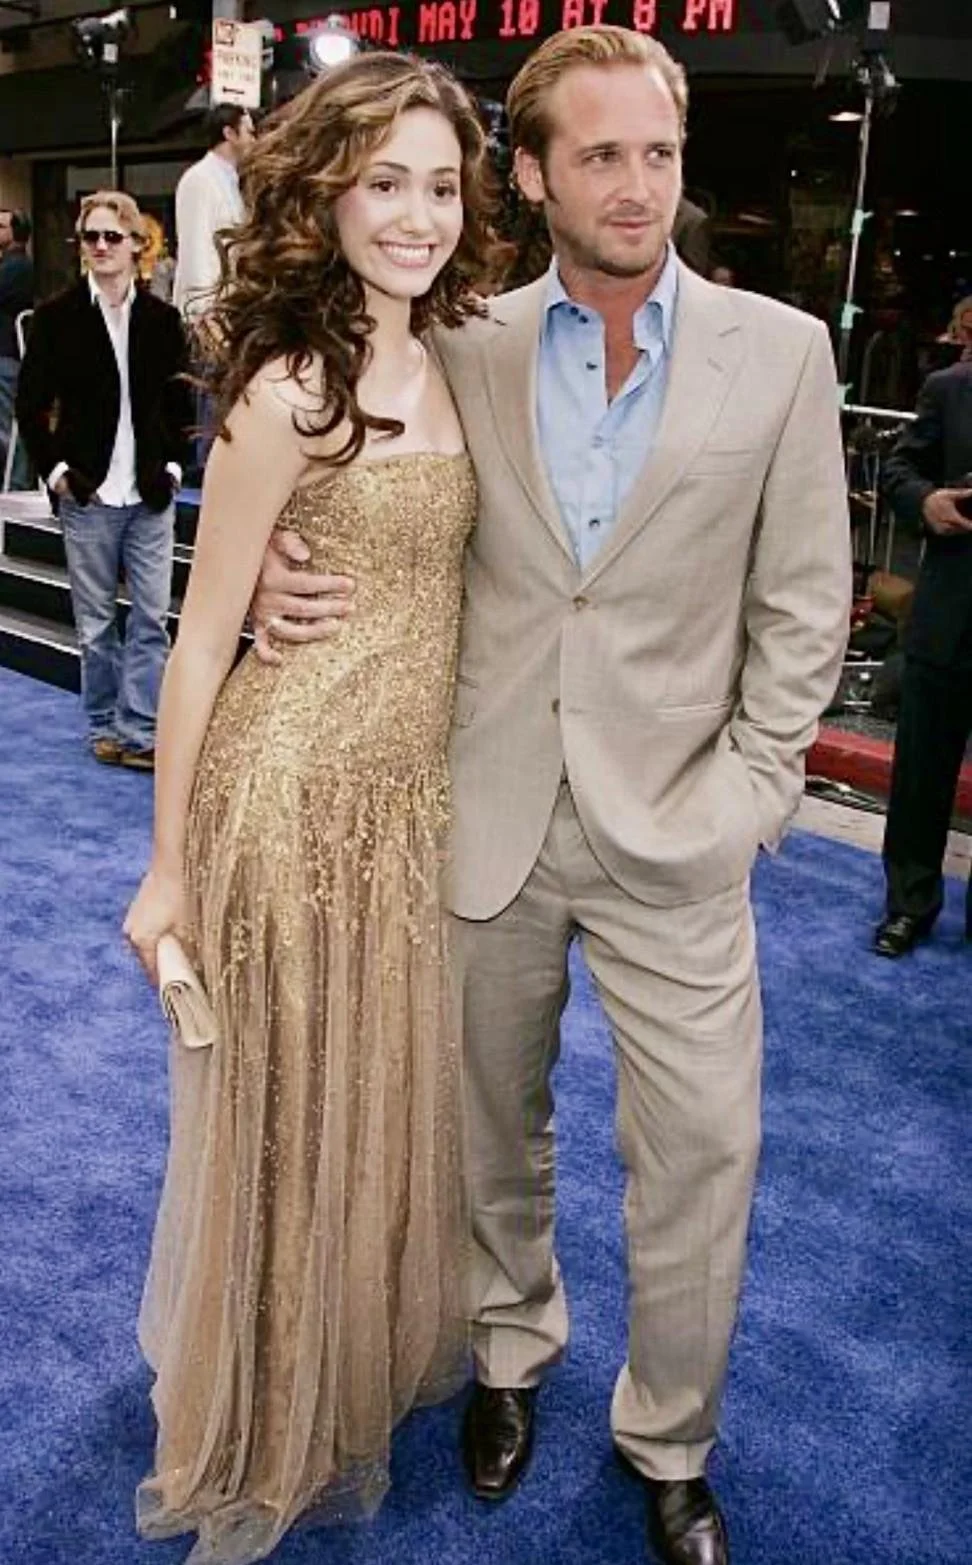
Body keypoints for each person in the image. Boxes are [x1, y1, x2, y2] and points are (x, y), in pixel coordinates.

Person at [254, 27, 851, 1565]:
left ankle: (671, 1438)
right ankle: (508, 1351)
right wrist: (265, 566)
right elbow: (339, 468)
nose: (636, 185)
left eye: (657, 152)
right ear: (529, 174)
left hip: (682, 827)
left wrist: (755, 793)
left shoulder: (784, 351)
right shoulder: (467, 342)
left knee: (704, 1151)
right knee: (484, 1130)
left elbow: (805, 601)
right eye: (599, 155)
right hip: (488, 808)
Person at [122, 53, 498, 1564]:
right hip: (285, 803)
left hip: (405, 812)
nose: (415, 214)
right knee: (285, 1118)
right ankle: (263, 1413)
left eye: (441, 185)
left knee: (376, 1099)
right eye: (384, 181)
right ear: (325, 195)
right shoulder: (290, 391)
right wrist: (166, 870)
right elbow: (200, 639)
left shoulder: (470, 359)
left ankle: (341, 1366)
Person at [16, 191, 191, 769]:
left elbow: (180, 402)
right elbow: (30, 406)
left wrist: (173, 467)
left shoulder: (163, 321)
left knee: (150, 618)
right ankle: (102, 724)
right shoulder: (56, 317)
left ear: (137, 245)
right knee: (95, 627)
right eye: (90, 236)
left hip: (150, 494)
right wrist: (58, 474)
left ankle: (138, 730)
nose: (99, 246)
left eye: (111, 236)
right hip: (88, 495)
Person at [873, 354, 972, 957]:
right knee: (921, 777)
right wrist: (927, 501)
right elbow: (897, 470)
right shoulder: (950, 389)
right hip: (950, 616)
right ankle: (909, 905)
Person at [173, 104, 255, 324]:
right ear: (229, 134)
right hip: (206, 314)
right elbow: (195, 249)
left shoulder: (232, 179)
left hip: (229, 308)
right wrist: (203, 312)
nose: (254, 141)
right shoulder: (198, 179)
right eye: (249, 132)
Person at [0, 208, 34, 489]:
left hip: (6, 353)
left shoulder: (17, 267)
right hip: (6, 353)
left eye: (1, 227)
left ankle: (17, 480)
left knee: (8, 421)